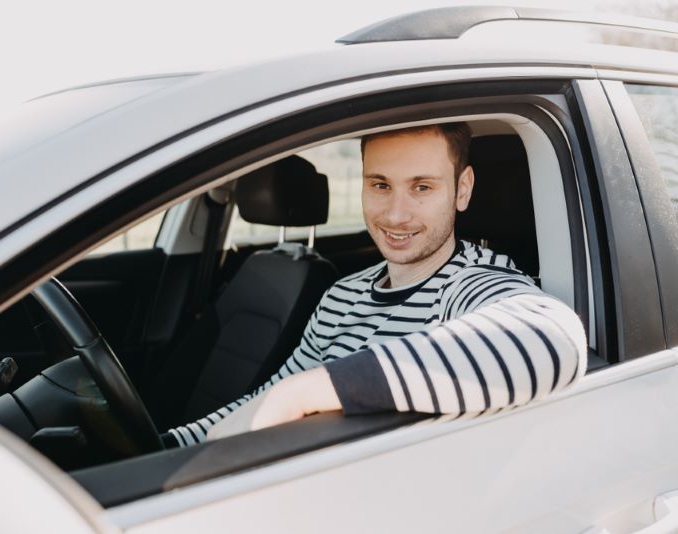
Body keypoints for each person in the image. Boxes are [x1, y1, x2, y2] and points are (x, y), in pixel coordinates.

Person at [164, 122, 587, 447]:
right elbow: (269, 395)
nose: (395, 215)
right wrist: (172, 447)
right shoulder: (340, 295)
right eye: (380, 185)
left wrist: (301, 395)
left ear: (462, 190)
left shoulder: (470, 286)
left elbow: (555, 340)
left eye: (422, 187)